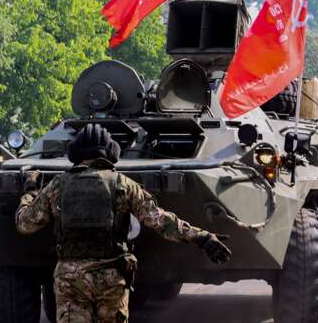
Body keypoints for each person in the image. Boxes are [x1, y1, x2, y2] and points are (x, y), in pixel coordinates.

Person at [16, 123, 231, 323]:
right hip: (111, 278)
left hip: (71, 279)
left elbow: (25, 224)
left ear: (75, 153)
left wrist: (30, 192)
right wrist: (202, 238)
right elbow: (161, 221)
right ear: (111, 152)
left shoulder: (57, 186)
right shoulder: (123, 185)